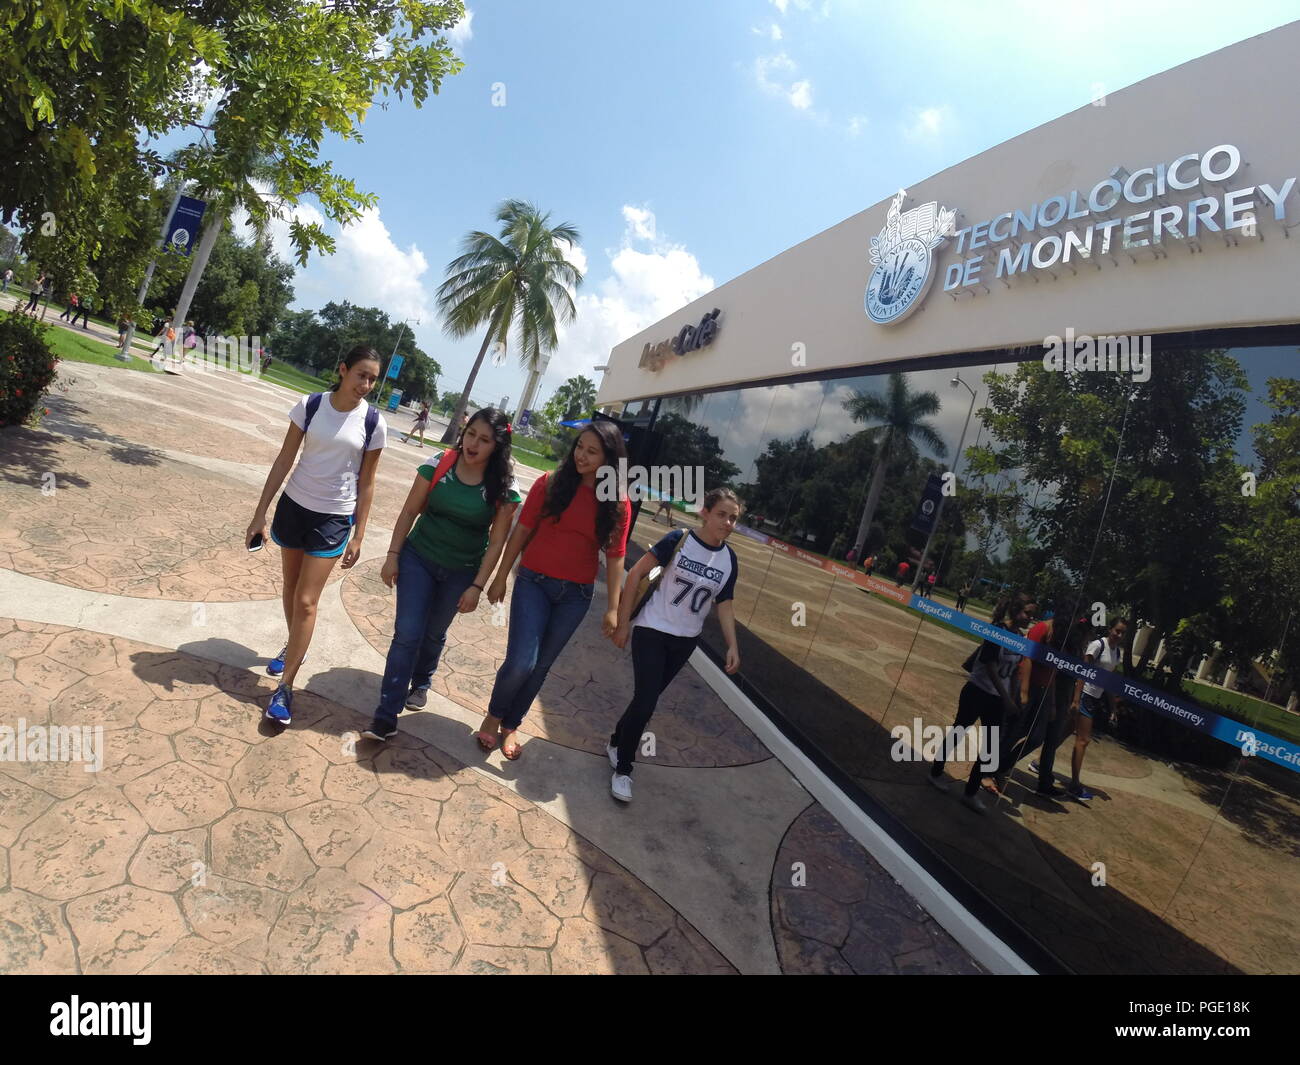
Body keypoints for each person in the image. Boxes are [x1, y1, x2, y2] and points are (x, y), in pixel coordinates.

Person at [245, 346, 387, 725]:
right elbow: (284, 458)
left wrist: (360, 533)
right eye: (361, 374)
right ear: (342, 370)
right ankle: (296, 647)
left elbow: (367, 482)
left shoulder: (373, 422)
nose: (366, 384)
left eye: (373, 378)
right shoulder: (309, 406)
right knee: (290, 591)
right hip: (294, 507)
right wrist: (261, 513)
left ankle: (286, 688)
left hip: (334, 517)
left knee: (307, 601)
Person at [363, 409, 520, 740]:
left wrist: (478, 585)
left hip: (462, 570)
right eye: (471, 434)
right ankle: (386, 715)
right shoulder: (441, 462)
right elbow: (409, 510)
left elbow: (496, 544)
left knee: (434, 632)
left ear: (497, 446)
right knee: (407, 633)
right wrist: (393, 556)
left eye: (484, 439)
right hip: (419, 557)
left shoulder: (504, 486)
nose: (473, 443)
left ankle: (421, 680)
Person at [479, 422, 631, 759]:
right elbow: (521, 532)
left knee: (542, 665)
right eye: (580, 447)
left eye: (592, 452)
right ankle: (494, 714)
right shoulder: (550, 484)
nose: (582, 455)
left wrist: (614, 608)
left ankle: (511, 724)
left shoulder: (617, 503)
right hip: (534, 583)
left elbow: (616, 556)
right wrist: (501, 576)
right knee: (521, 661)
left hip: (575, 597)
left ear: (610, 460)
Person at [608, 488, 742, 802]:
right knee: (646, 702)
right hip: (652, 629)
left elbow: (724, 603)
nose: (727, 522)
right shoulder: (678, 540)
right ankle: (624, 770)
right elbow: (636, 574)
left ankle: (616, 740)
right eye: (722, 514)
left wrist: (732, 645)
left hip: (685, 640)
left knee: (646, 697)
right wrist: (623, 623)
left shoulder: (729, 559)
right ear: (705, 513)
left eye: (733, 518)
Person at [928, 592, 1037, 814]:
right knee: (959, 731)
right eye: (1027, 613)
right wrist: (1006, 698)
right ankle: (936, 771)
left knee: (990, 746)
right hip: (978, 691)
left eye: (1032, 615)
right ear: (1016, 611)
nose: (1029, 619)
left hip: (998, 699)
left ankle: (970, 792)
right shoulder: (997, 630)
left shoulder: (1020, 638)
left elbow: (1015, 671)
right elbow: (989, 666)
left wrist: (1014, 697)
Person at [1010, 612, 1085, 798]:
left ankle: (1043, 781)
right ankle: (998, 764)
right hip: (1048, 692)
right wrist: (1027, 692)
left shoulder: (1076, 644)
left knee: (1045, 739)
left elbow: (1079, 673)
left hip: (1056, 695)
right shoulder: (1057, 635)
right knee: (1025, 732)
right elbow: (1031, 659)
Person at [1067, 617, 1127, 801]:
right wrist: (1076, 699)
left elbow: (1108, 682)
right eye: (1117, 630)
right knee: (1083, 740)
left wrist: (1113, 708)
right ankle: (1075, 785)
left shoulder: (1116, 654)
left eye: (1123, 633)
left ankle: (1037, 763)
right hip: (1084, 694)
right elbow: (1082, 671)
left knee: (1061, 733)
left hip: (1095, 697)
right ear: (1110, 629)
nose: (1119, 635)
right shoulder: (1097, 645)